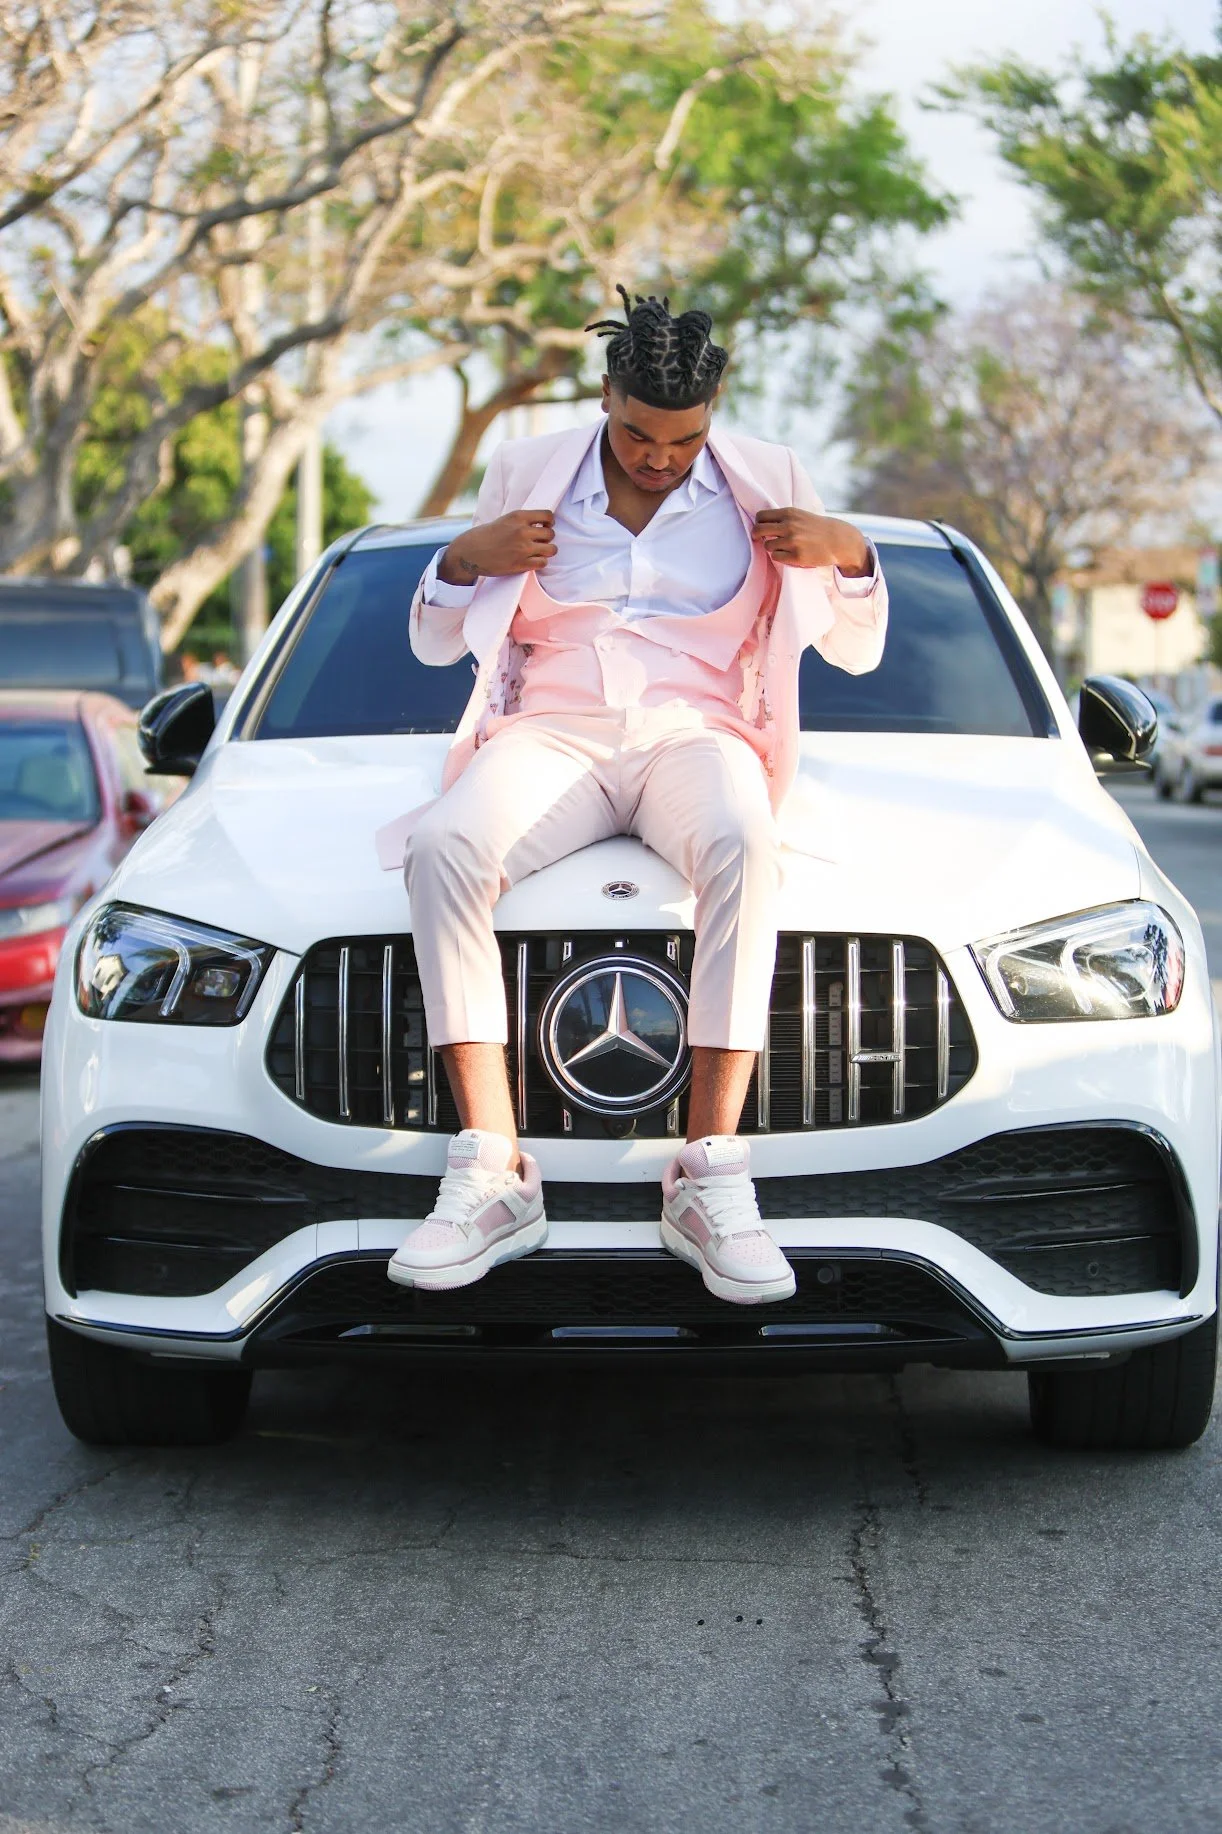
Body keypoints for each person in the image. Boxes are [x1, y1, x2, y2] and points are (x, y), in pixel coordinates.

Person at [383, 289, 887, 1305]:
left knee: (747, 841)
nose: (660, 458)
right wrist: (458, 560)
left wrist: (847, 551)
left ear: (715, 410)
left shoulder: (768, 480)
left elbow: (858, 648)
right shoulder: (527, 469)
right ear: (604, 394)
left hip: (696, 735)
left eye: (684, 439)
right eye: (638, 434)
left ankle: (708, 1173)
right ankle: (491, 1169)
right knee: (442, 848)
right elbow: (435, 641)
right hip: (550, 733)